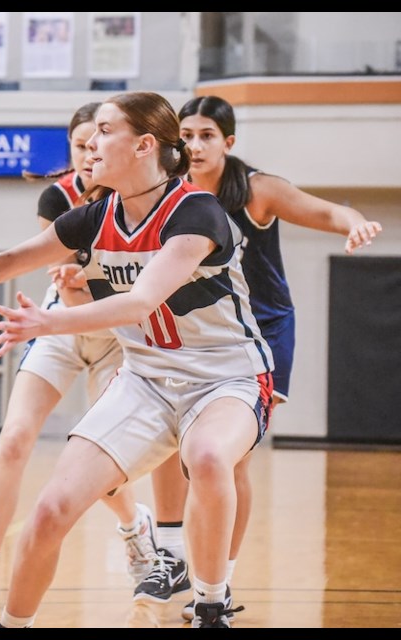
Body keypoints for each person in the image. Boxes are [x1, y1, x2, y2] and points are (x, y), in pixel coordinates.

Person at [0, 91, 273, 628]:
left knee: (207, 456)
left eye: (104, 133)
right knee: (49, 511)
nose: (89, 144)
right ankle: (11, 623)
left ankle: (211, 603)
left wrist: (47, 322)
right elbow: (7, 260)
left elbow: (141, 301)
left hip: (225, 377)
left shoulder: (197, 211)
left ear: (143, 145)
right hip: (146, 381)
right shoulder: (96, 217)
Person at [134, 94, 383, 621]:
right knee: (173, 446)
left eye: (207, 136)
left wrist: (352, 221)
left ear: (228, 143)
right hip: (192, 332)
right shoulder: (165, 192)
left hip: (260, 332)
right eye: (188, 135)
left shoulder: (254, 190)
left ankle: (218, 581)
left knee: (229, 457)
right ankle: (175, 553)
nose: (195, 146)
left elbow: (324, 209)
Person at [0, 103, 158, 613]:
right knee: (14, 439)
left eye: (98, 140)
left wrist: (87, 286)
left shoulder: (142, 200)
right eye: (80, 145)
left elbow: (123, 297)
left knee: (103, 463)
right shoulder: (58, 196)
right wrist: (73, 285)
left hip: (118, 335)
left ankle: (134, 528)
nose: (89, 152)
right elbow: (65, 283)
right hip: (61, 324)